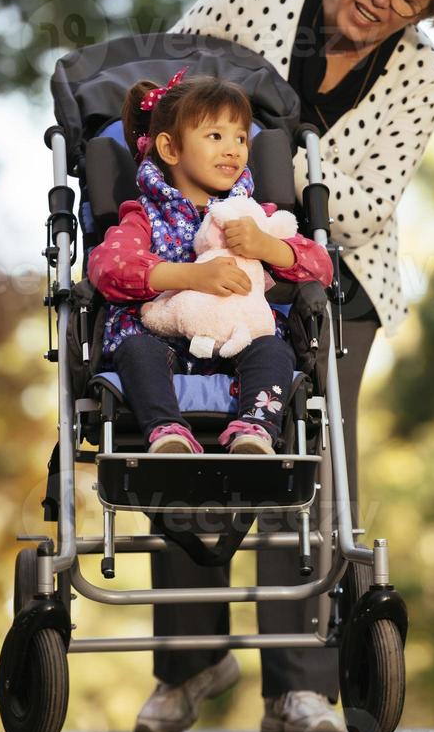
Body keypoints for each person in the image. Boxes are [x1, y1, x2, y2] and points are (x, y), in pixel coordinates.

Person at [132, 0, 434, 732]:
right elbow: (156, 100)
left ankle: (298, 684)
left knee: (306, 459)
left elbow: (366, 203)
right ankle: (190, 661)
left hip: (331, 278)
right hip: (204, 259)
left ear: (430, 7)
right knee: (184, 436)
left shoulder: (421, 76)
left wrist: (267, 214)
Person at [88, 70, 332, 458]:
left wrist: (267, 246)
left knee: (275, 350)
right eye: (216, 136)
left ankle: (255, 428)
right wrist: (192, 276)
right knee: (135, 350)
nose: (234, 149)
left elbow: (320, 267)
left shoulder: (254, 215)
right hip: (161, 340)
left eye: (240, 138)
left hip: (239, 342)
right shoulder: (144, 217)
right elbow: (108, 267)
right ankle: (166, 431)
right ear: (170, 149)